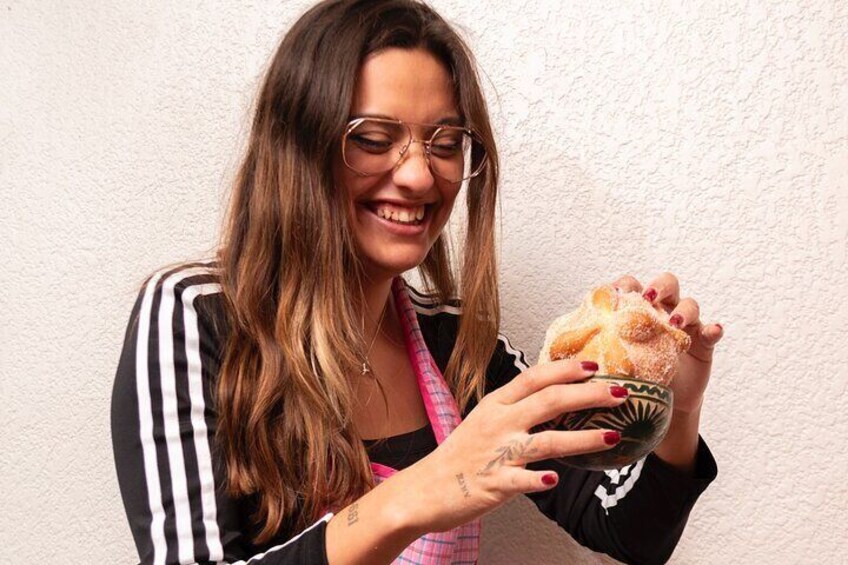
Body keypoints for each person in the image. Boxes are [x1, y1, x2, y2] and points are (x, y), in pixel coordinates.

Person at [111, 1, 723, 563]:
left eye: (445, 142)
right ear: (296, 147)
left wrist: (676, 403)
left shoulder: (454, 341)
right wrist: (423, 492)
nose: (419, 177)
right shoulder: (193, 316)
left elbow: (627, 531)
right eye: (373, 139)